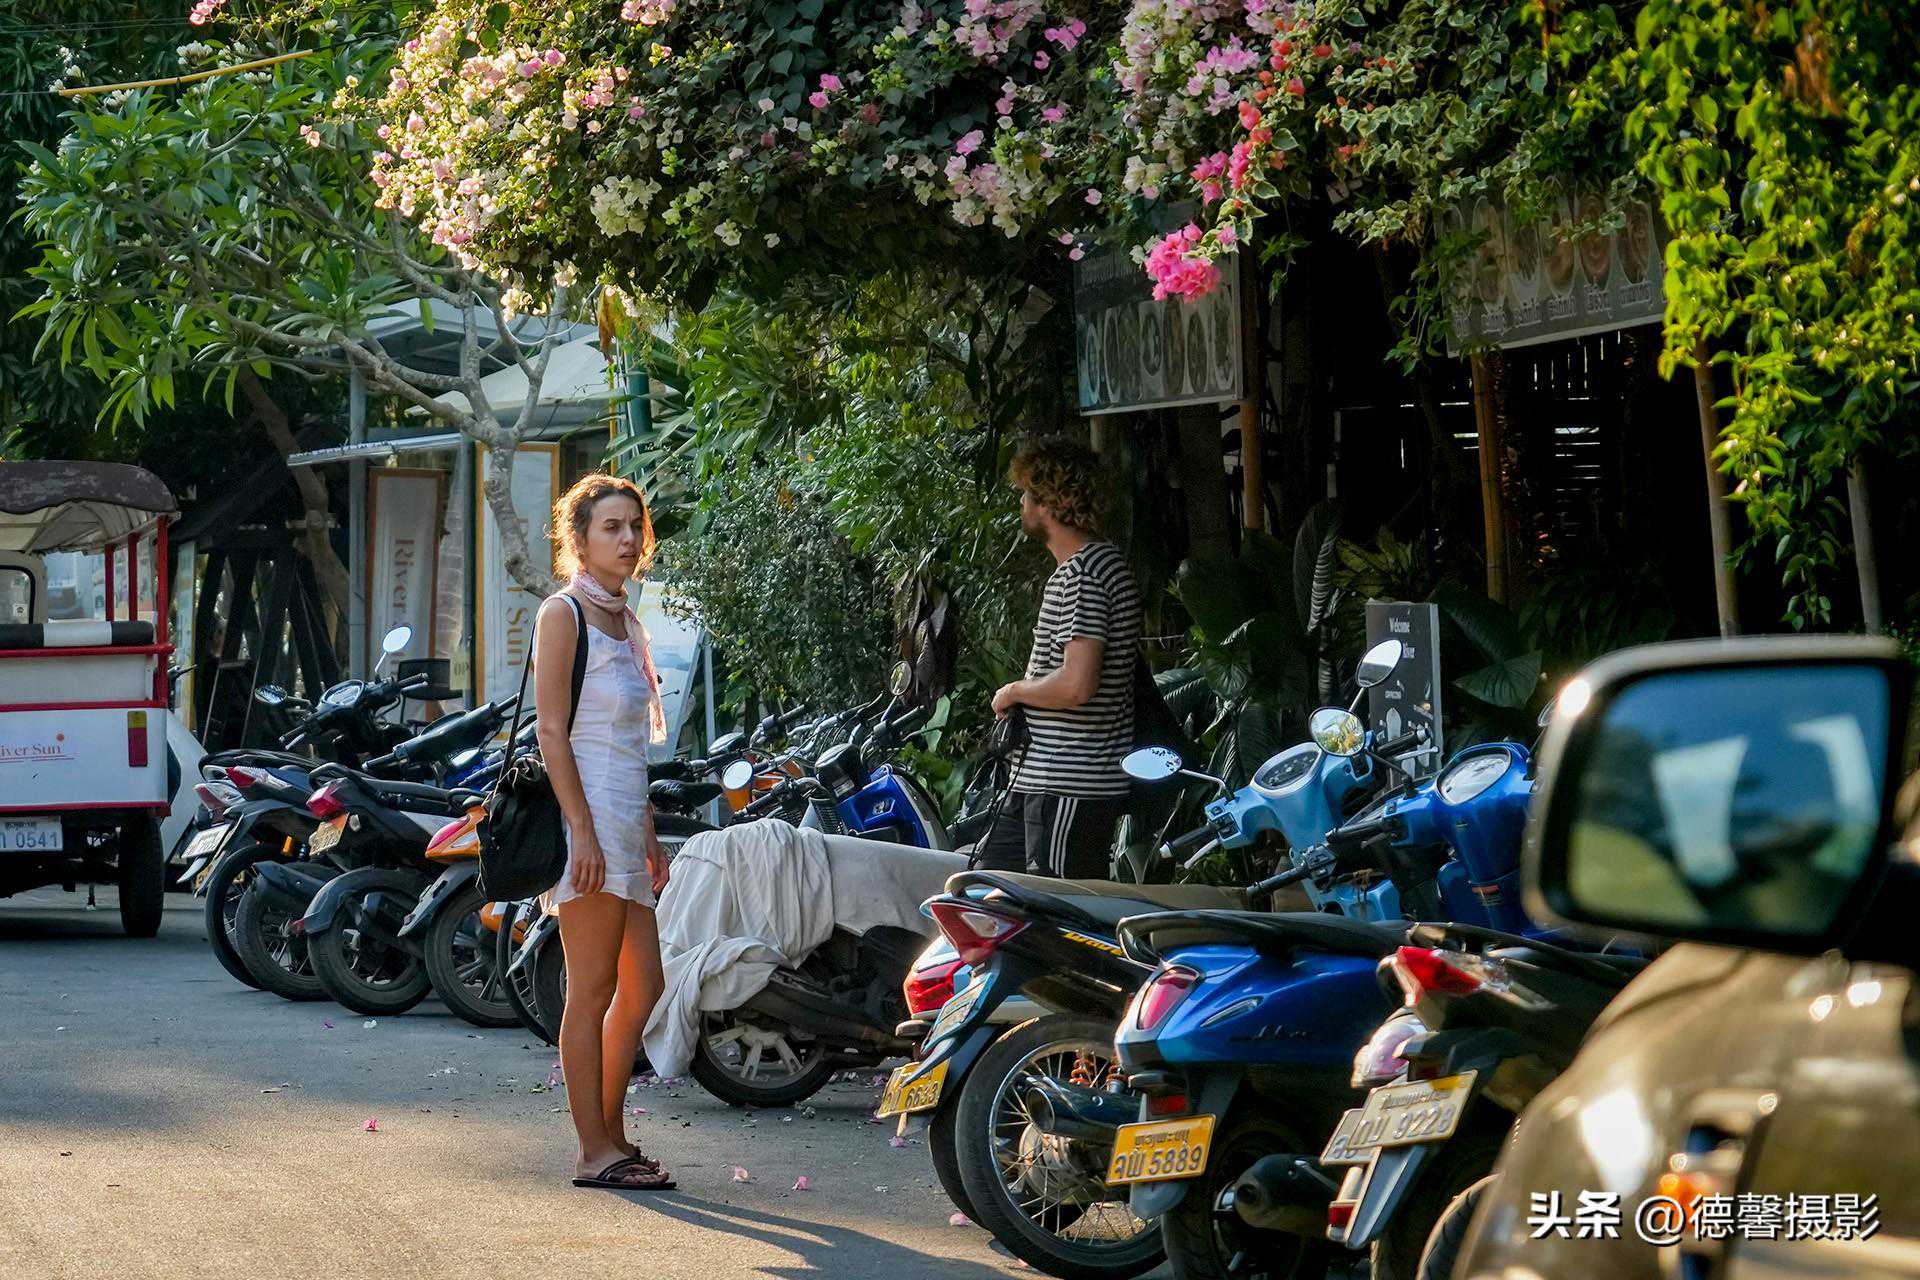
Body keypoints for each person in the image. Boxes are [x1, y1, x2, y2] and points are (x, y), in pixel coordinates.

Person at [534, 473, 676, 1191]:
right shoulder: (563, 614)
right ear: (580, 540)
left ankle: (613, 1133)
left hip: (623, 825)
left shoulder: (627, 621)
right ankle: (593, 1150)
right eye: (610, 527)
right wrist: (582, 835)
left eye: (634, 527)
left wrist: (646, 836)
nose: (626, 539)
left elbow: (629, 747)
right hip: (583, 827)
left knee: (643, 986)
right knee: (590, 991)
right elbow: (551, 732)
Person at [978, 437, 1143, 879]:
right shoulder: (1091, 567)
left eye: (1027, 494)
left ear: (1052, 502)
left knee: (1051, 907)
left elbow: (1077, 683)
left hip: (1068, 782)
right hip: (1044, 779)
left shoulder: (1084, 575)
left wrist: (1014, 691)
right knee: (985, 892)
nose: (1021, 503)